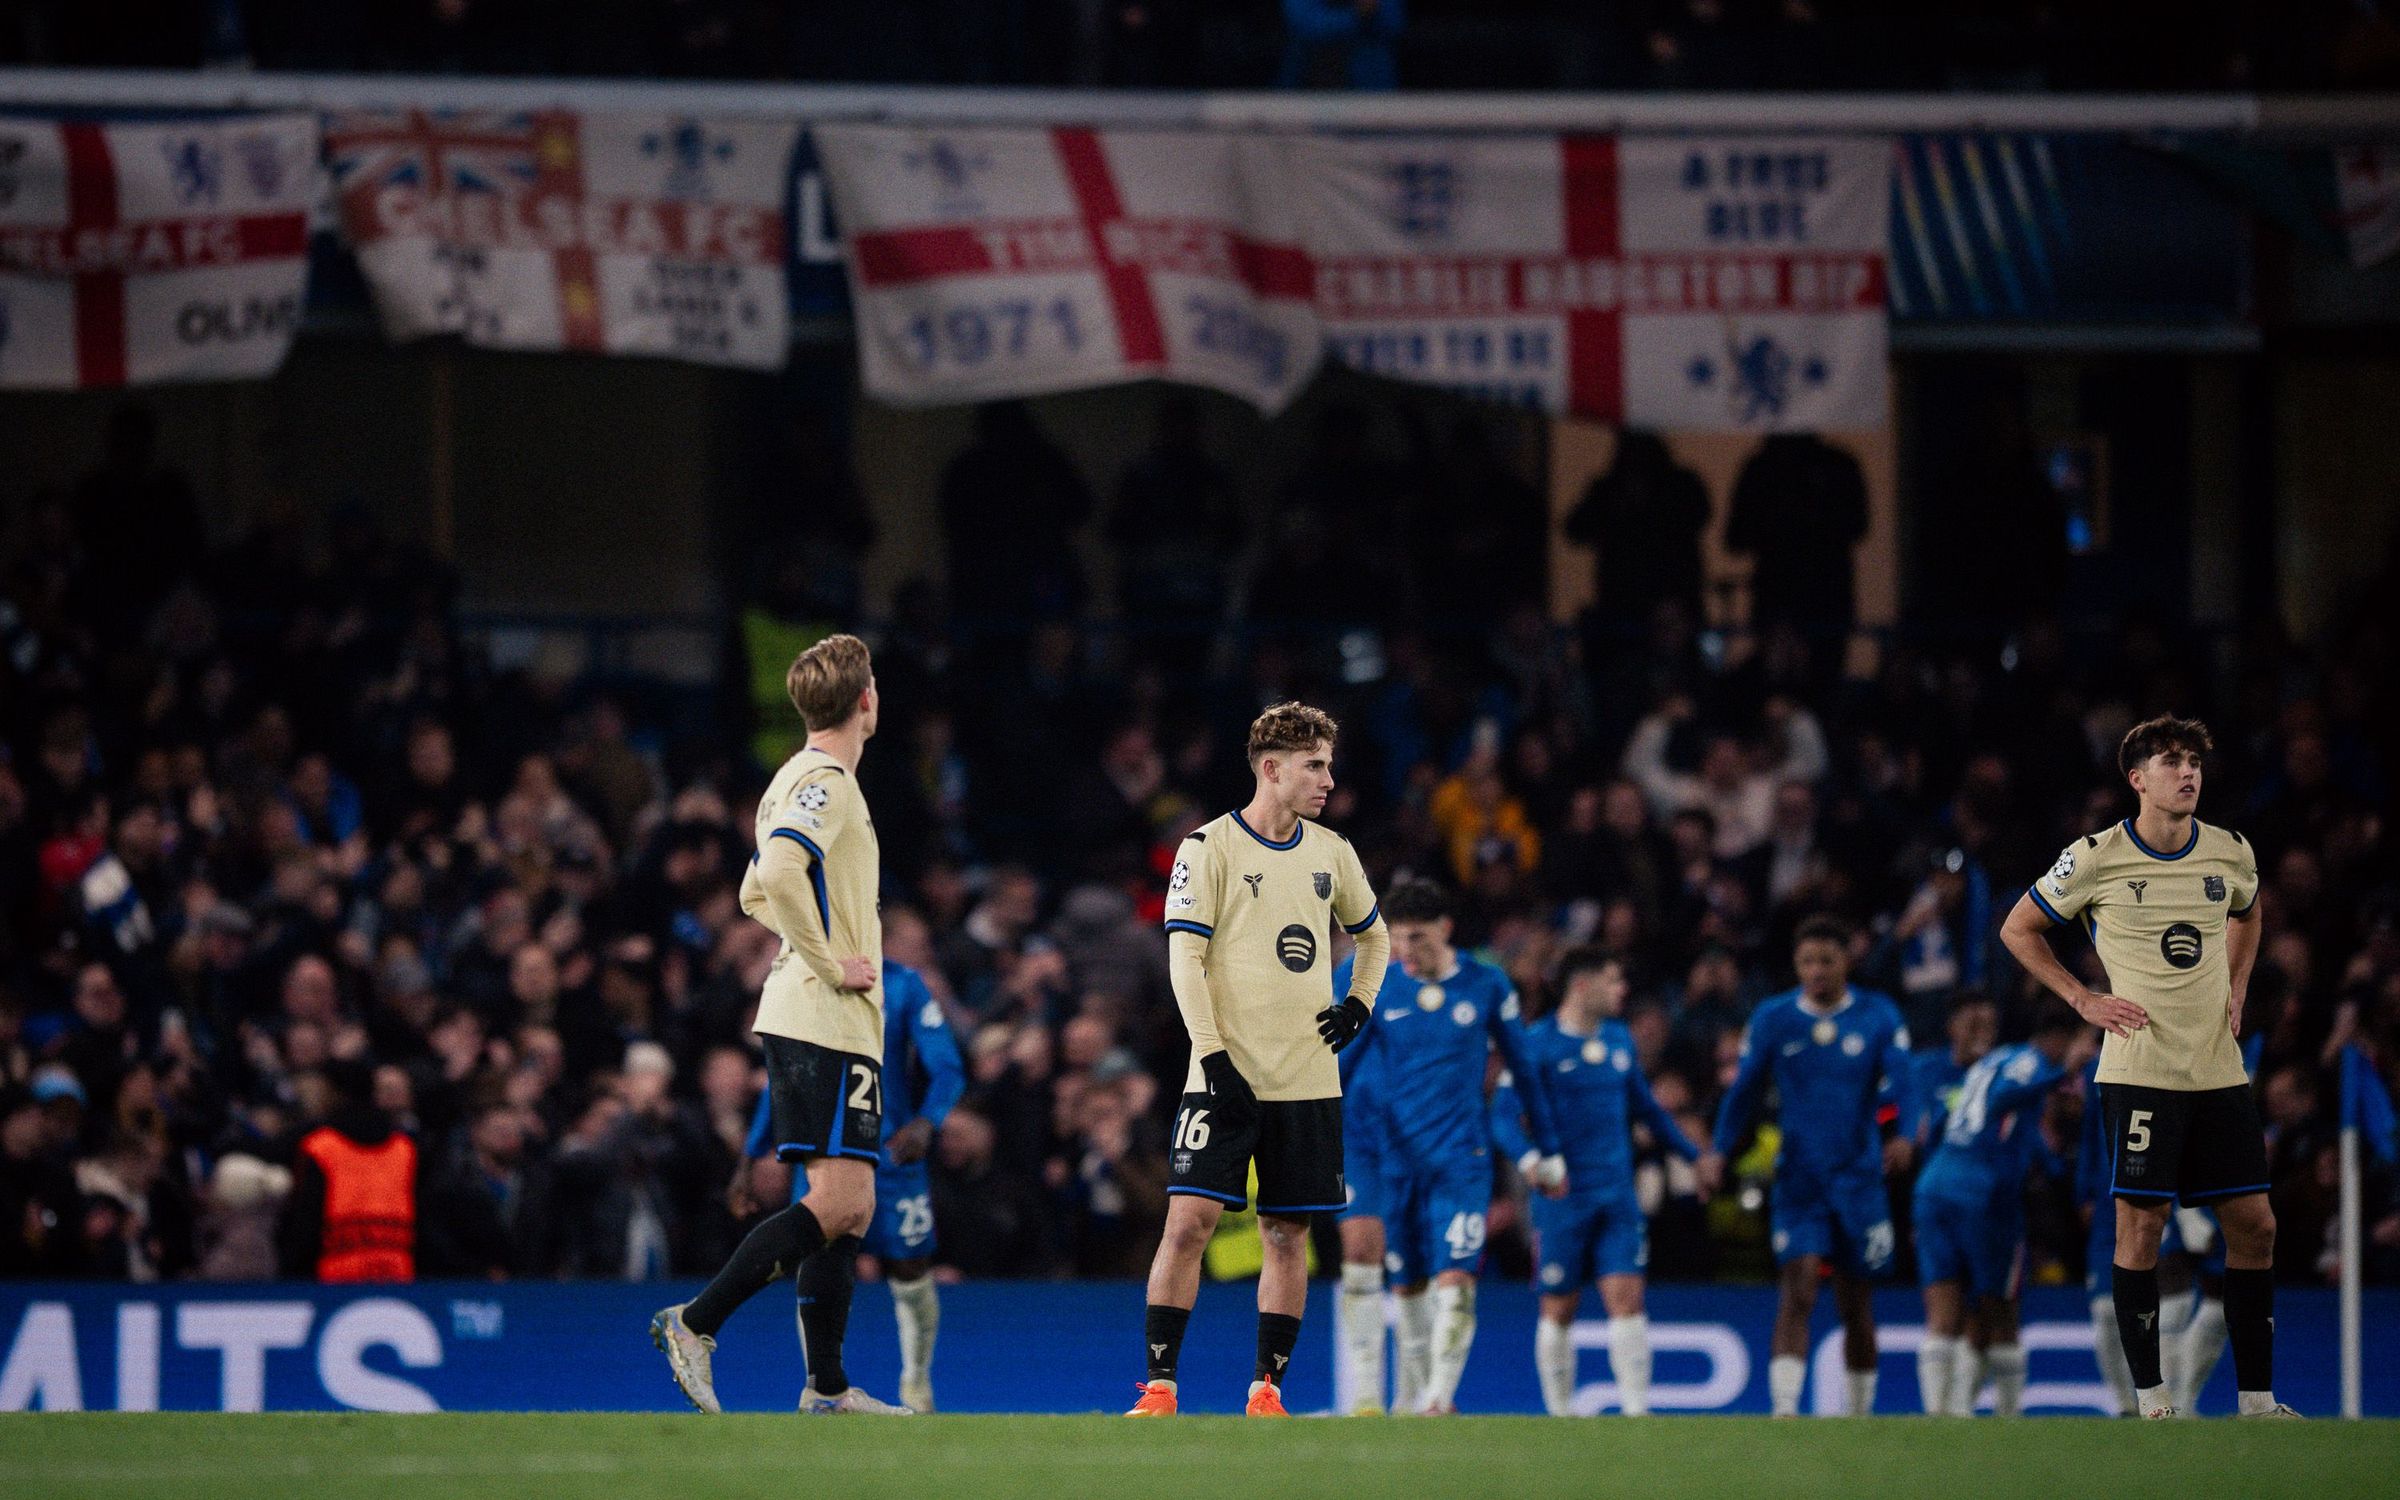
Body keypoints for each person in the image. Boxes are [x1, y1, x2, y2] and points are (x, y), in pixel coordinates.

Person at [1997, 714, 2298, 1419]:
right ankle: (2151, 1395)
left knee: (2255, 1225)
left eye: (2193, 761)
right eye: (2171, 761)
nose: (2187, 772)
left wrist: (2240, 980)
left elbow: (2249, 914)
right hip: (2140, 1071)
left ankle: (2258, 1400)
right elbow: (2019, 927)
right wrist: (2081, 997)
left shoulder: (2230, 851)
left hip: (2219, 1071)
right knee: (2142, 1228)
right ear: (2137, 779)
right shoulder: (2096, 856)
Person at [652, 635, 910, 1416]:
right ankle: (694, 1323)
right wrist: (832, 961)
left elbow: (750, 892)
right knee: (837, 1203)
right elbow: (780, 872)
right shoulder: (826, 780)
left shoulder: (791, 781)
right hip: (822, 1013)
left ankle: (825, 1388)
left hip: (831, 1018)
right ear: (866, 701)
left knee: (850, 1206)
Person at [1128, 702, 1389, 1418]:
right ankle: (1159, 1389)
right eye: (1315, 766)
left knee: (1288, 1233)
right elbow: (1183, 959)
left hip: (1306, 1079)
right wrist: (1210, 1058)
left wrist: (1358, 1002)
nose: (1328, 780)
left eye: (1329, 765)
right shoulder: (1207, 848)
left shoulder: (1332, 851)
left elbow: (1375, 938)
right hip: (1223, 1075)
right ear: (1271, 769)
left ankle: (1266, 1391)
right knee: (1187, 1226)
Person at [1334, 878, 1561, 1416]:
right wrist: (1292, 1112)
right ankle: (1394, 1396)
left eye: (1416, 939)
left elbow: (1524, 1068)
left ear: (1445, 929)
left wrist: (1546, 1148)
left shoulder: (1486, 985)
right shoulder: (1375, 981)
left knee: (1456, 1277)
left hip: (1461, 1159)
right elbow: (1339, 1060)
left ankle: (1438, 1397)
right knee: (1405, 1283)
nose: (1404, 954)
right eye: (1396, 940)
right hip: (1390, 1158)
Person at [1492, 947, 1722, 1416]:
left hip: (1617, 1194)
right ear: (1582, 985)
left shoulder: (1619, 1040)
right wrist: (1531, 1160)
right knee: (1559, 1306)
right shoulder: (1535, 1044)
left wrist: (1693, 1157)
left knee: (1628, 1298)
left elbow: (1648, 1109)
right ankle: (1560, 1415)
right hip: (1562, 1198)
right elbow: (1502, 1118)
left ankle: (1637, 1413)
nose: (1622, 991)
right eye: (1613, 981)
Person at [740, 959, 964, 1413]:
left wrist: (927, 1120)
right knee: (817, 1262)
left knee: (911, 1265)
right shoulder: (804, 978)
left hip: (892, 1148)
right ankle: (821, 1386)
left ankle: (917, 1386)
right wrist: (750, 1154)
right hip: (822, 1148)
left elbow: (946, 1065)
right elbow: (782, 1074)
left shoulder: (903, 984)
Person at [1713, 915, 1913, 1417]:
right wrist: (1717, 1150)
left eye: (1827, 959)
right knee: (1798, 1283)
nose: (1817, 970)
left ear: (1847, 960)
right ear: (1796, 965)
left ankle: (1859, 1413)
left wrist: (1906, 1136)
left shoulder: (1877, 1015)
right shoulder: (1774, 1017)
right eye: (1807, 961)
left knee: (1855, 1300)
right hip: (1799, 1179)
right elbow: (1743, 1092)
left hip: (1859, 1179)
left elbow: (1908, 1086)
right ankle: (1784, 1410)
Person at [1913, 1007, 2095, 1416]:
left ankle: (1941, 1415)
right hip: (1984, 1196)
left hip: (1936, 1184)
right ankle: (2009, 1418)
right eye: (2087, 1041)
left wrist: (2053, 1168)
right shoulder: (2029, 1062)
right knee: (2001, 1308)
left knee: (1946, 1310)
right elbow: (2002, 1100)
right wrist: (2063, 1070)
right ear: (2062, 1038)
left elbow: (1953, 1120)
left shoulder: (1993, 1061)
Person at [279, 1058, 420, 1283]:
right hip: (397, 1277)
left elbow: (306, 1224)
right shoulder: (405, 1147)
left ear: (334, 1091)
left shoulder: (319, 1145)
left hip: (333, 1282)